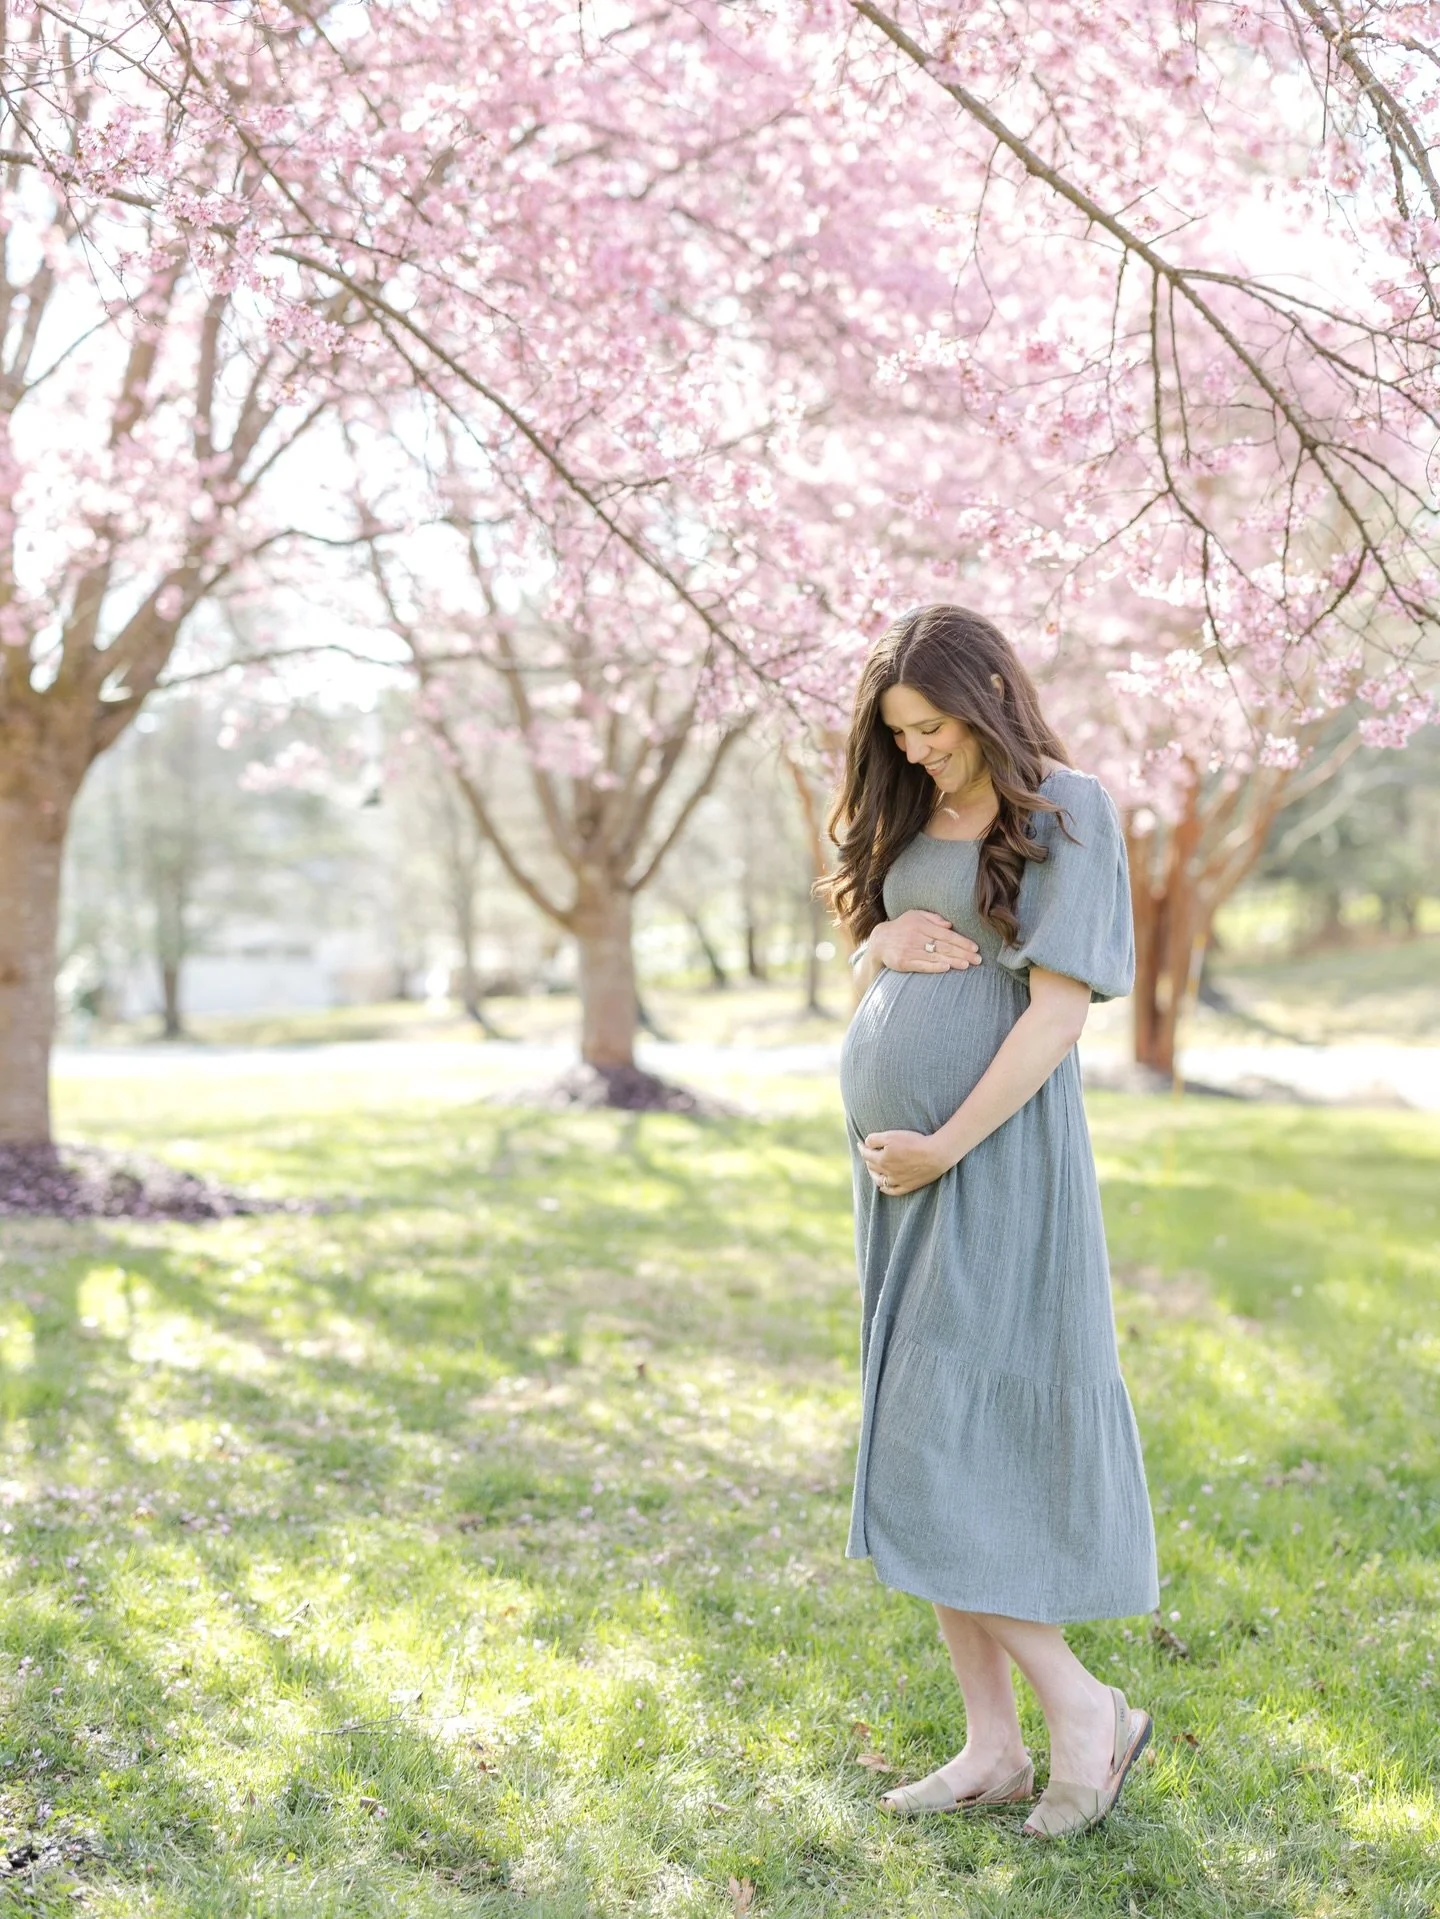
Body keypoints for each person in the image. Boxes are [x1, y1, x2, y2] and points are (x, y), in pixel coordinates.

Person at [821, 603, 1159, 1840]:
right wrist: (879, 950)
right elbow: (889, 948)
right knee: (921, 1433)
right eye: (898, 732)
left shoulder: (1068, 807)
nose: (916, 751)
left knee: (939, 1447)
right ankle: (990, 1745)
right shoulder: (911, 805)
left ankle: (1086, 1710)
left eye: (934, 727)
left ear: (989, 700)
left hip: (993, 1161)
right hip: (902, 1172)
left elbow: (1059, 1012)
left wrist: (945, 1143)